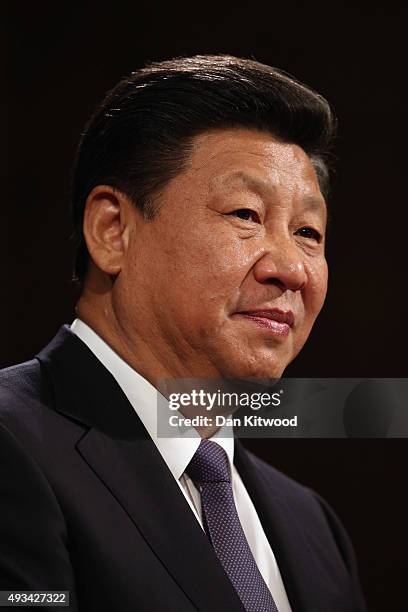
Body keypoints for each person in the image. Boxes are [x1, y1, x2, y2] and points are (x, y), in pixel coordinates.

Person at [0, 55, 366, 611]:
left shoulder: (314, 527)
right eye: (245, 214)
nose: (291, 269)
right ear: (112, 230)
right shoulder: (13, 447)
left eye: (308, 231)